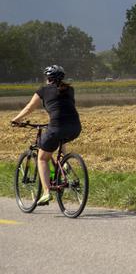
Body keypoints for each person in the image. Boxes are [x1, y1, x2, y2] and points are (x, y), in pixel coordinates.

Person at [11, 65, 82, 205]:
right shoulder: (69, 89)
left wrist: (16, 119)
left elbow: (29, 107)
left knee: (42, 158)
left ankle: (46, 192)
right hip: (75, 127)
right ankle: (64, 164)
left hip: (57, 127)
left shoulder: (43, 90)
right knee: (61, 137)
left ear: (48, 78)